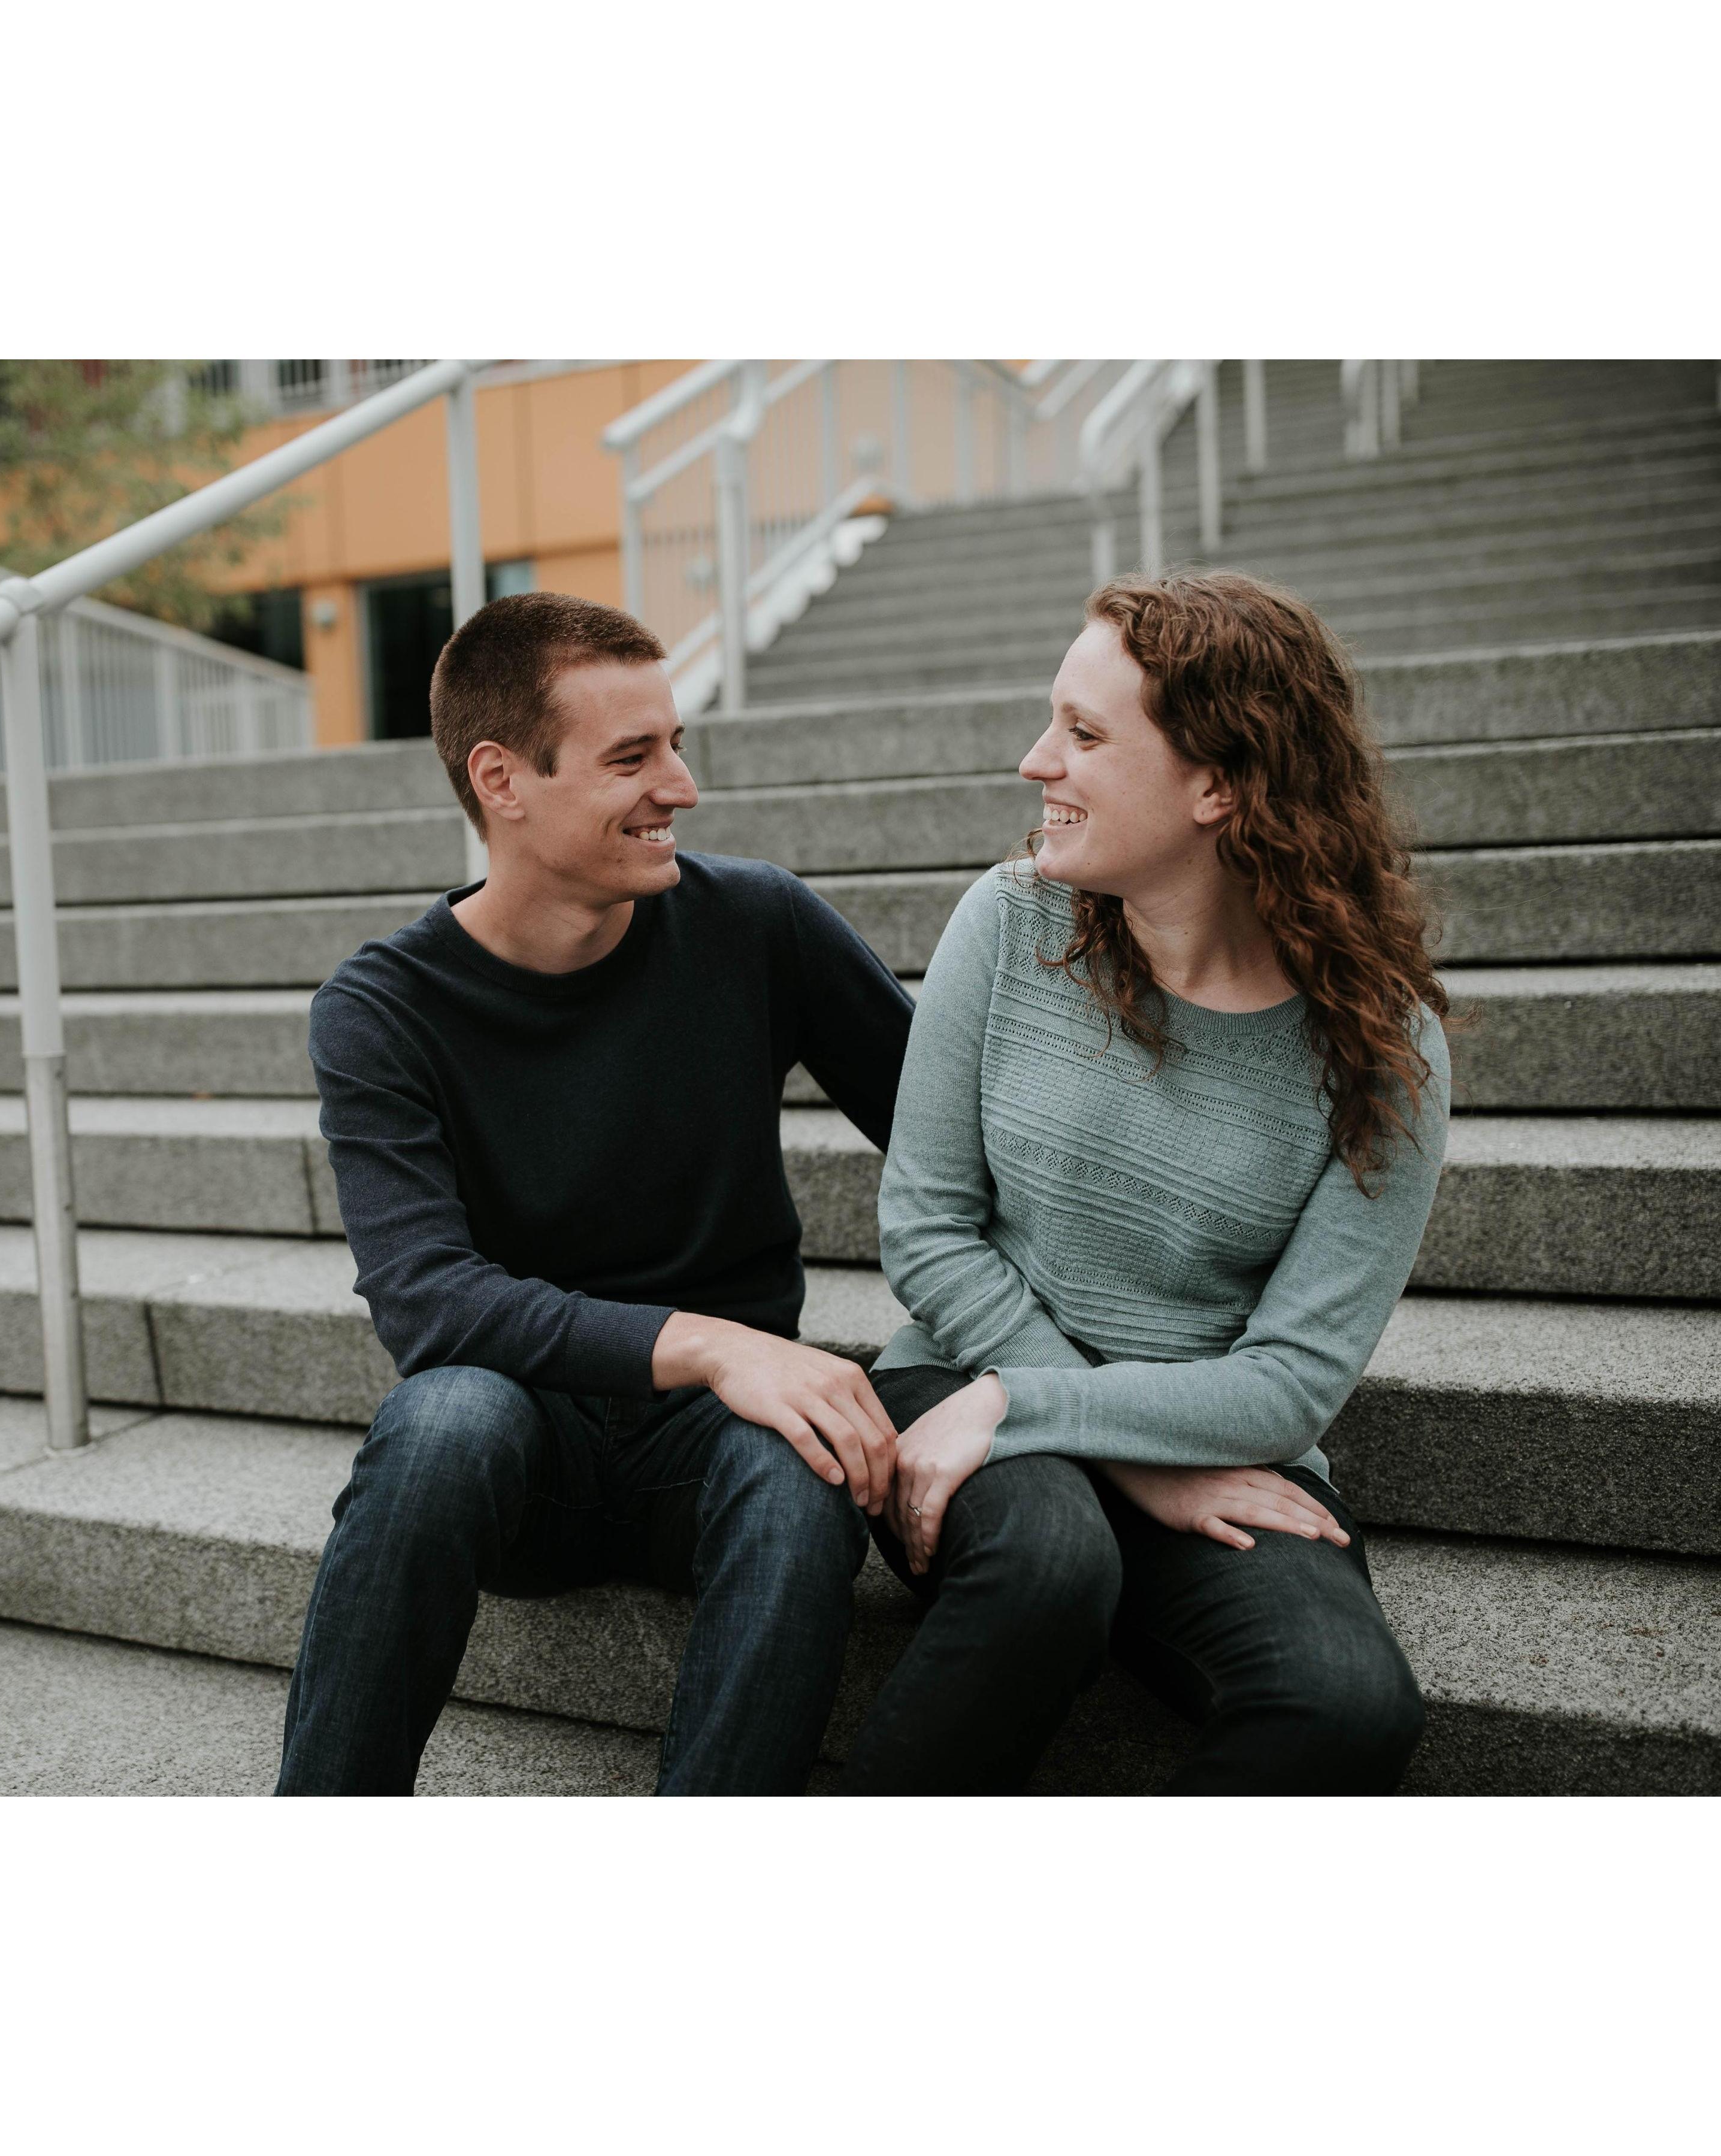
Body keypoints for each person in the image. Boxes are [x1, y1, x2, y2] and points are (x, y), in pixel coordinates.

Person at [275, 592, 914, 1795]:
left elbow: (954, 1149)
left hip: (714, 1451)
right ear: (503, 781)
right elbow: (428, 1304)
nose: (682, 787)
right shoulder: (382, 1009)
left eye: (676, 745)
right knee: (443, 1421)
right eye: (633, 758)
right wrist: (717, 1344)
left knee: (803, 1465)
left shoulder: (758, 923)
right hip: (526, 1449)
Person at [839, 571, 1450, 1796]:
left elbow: (1292, 1382)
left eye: (1084, 733)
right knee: (1050, 1570)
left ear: (1218, 785)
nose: (1036, 762)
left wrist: (1038, 1410)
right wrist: (1090, 1437)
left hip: (1175, 1431)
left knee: (1346, 1704)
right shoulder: (1008, 924)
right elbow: (928, 1229)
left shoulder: (1383, 1051)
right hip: (960, 1380)